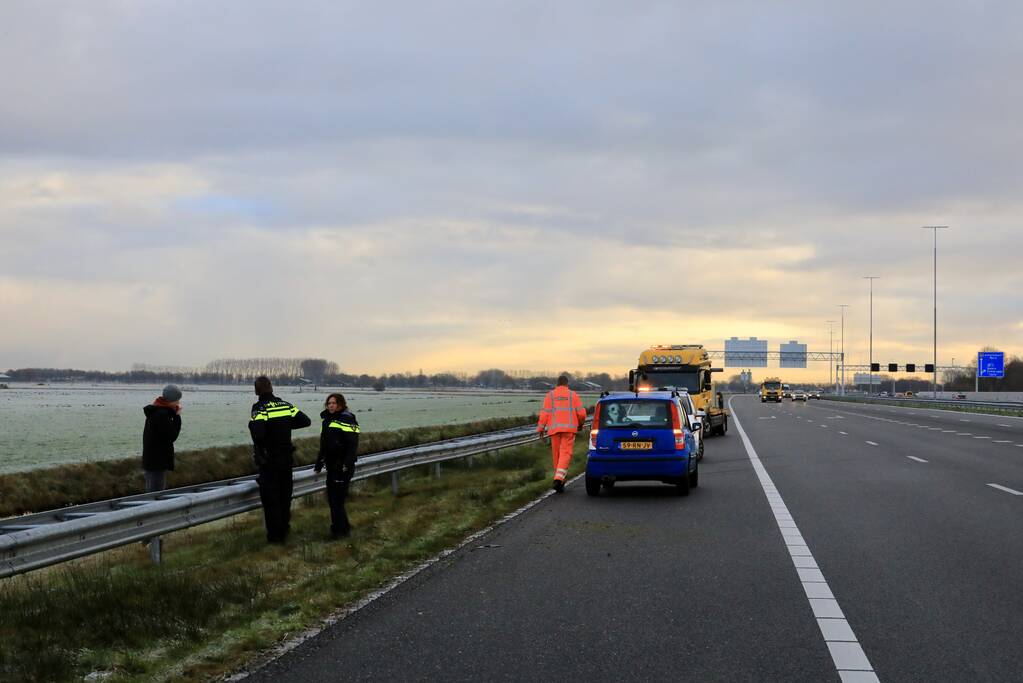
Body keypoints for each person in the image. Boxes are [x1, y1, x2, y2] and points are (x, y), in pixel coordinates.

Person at [248, 376, 311, 544]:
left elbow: (259, 434)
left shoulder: (259, 408)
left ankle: (275, 538)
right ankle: (285, 531)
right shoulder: (285, 405)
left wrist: (253, 425)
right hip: (287, 459)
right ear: (271, 388)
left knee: (271, 500)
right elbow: (306, 421)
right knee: (285, 497)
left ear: (256, 390)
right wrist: (284, 425)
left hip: (269, 461)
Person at [314, 393, 360, 538]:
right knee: (333, 500)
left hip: (343, 467)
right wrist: (319, 463)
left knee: (337, 500)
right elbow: (324, 445)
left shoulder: (348, 419)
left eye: (334, 403)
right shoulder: (326, 421)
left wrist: (346, 464)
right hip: (331, 466)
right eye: (329, 403)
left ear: (341, 404)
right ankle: (342, 528)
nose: (331, 405)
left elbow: (352, 444)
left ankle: (339, 531)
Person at [536, 375, 587, 493]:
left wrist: (540, 429)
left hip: (554, 431)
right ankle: (559, 479)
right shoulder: (572, 395)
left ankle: (558, 480)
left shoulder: (550, 396)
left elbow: (544, 414)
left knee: (557, 456)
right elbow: (582, 414)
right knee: (565, 454)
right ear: (567, 384)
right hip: (569, 430)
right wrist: (580, 424)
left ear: (557, 384)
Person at [142, 384, 183, 493]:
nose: (178, 403)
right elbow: (172, 436)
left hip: (151, 460)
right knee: (156, 494)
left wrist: (173, 415)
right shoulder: (161, 415)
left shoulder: (156, 411)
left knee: (151, 492)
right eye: (177, 400)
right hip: (157, 462)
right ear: (171, 400)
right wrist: (177, 416)